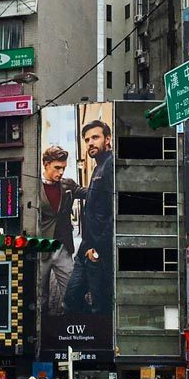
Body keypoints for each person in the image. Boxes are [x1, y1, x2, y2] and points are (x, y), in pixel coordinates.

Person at [62, 119, 114, 315]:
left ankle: (98, 342)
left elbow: (113, 212)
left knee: (100, 306)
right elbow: (95, 200)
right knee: (70, 301)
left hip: (98, 251)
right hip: (86, 248)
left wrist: (97, 248)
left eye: (95, 137)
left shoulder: (110, 165)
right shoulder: (98, 166)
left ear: (107, 139)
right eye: (87, 139)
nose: (91, 142)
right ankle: (83, 336)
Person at [38, 145, 86, 316]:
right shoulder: (33, 186)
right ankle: (41, 332)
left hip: (63, 246)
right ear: (46, 164)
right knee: (40, 296)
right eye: (57, 168)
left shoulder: (67, 185)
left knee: (72, 291)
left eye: (63, 168)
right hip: (41, 246)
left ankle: (71, 327)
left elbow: (88, 193)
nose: (60, 172)